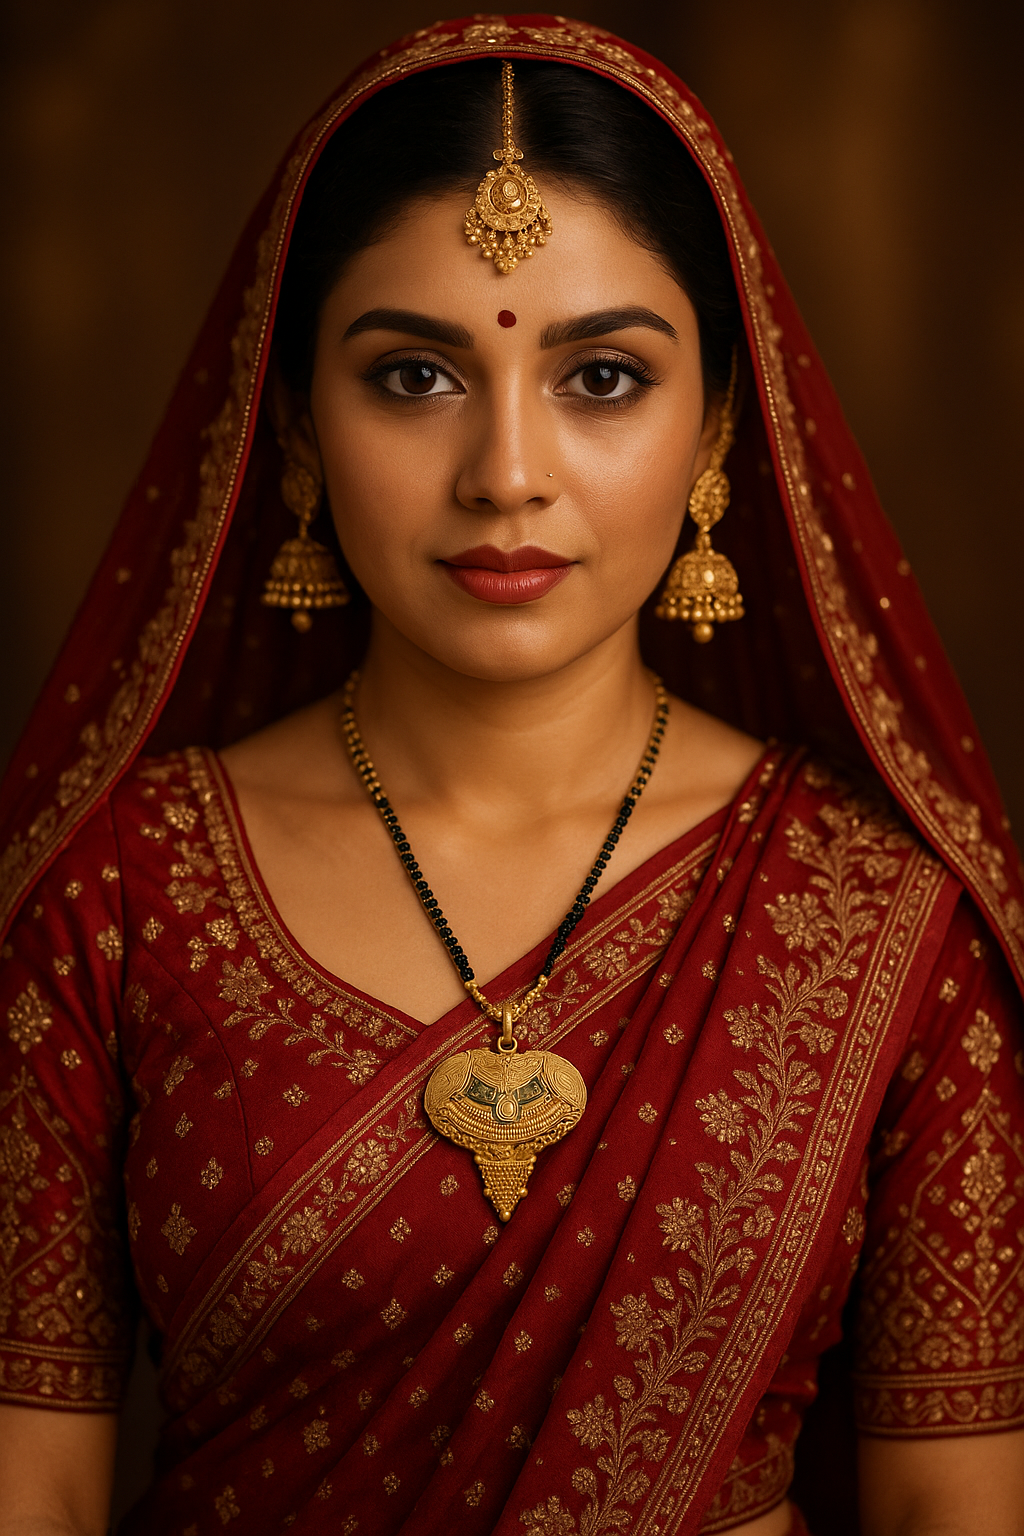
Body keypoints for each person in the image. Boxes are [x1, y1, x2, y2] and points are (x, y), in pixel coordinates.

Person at [0, 15, 1022, 1536]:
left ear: (720, 426)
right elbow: (37, 1486)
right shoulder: (118, 893)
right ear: (293, 432)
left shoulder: (882, 913)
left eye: (602, 376)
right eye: (414, 377)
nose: (508, 473)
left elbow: (955, 1501)